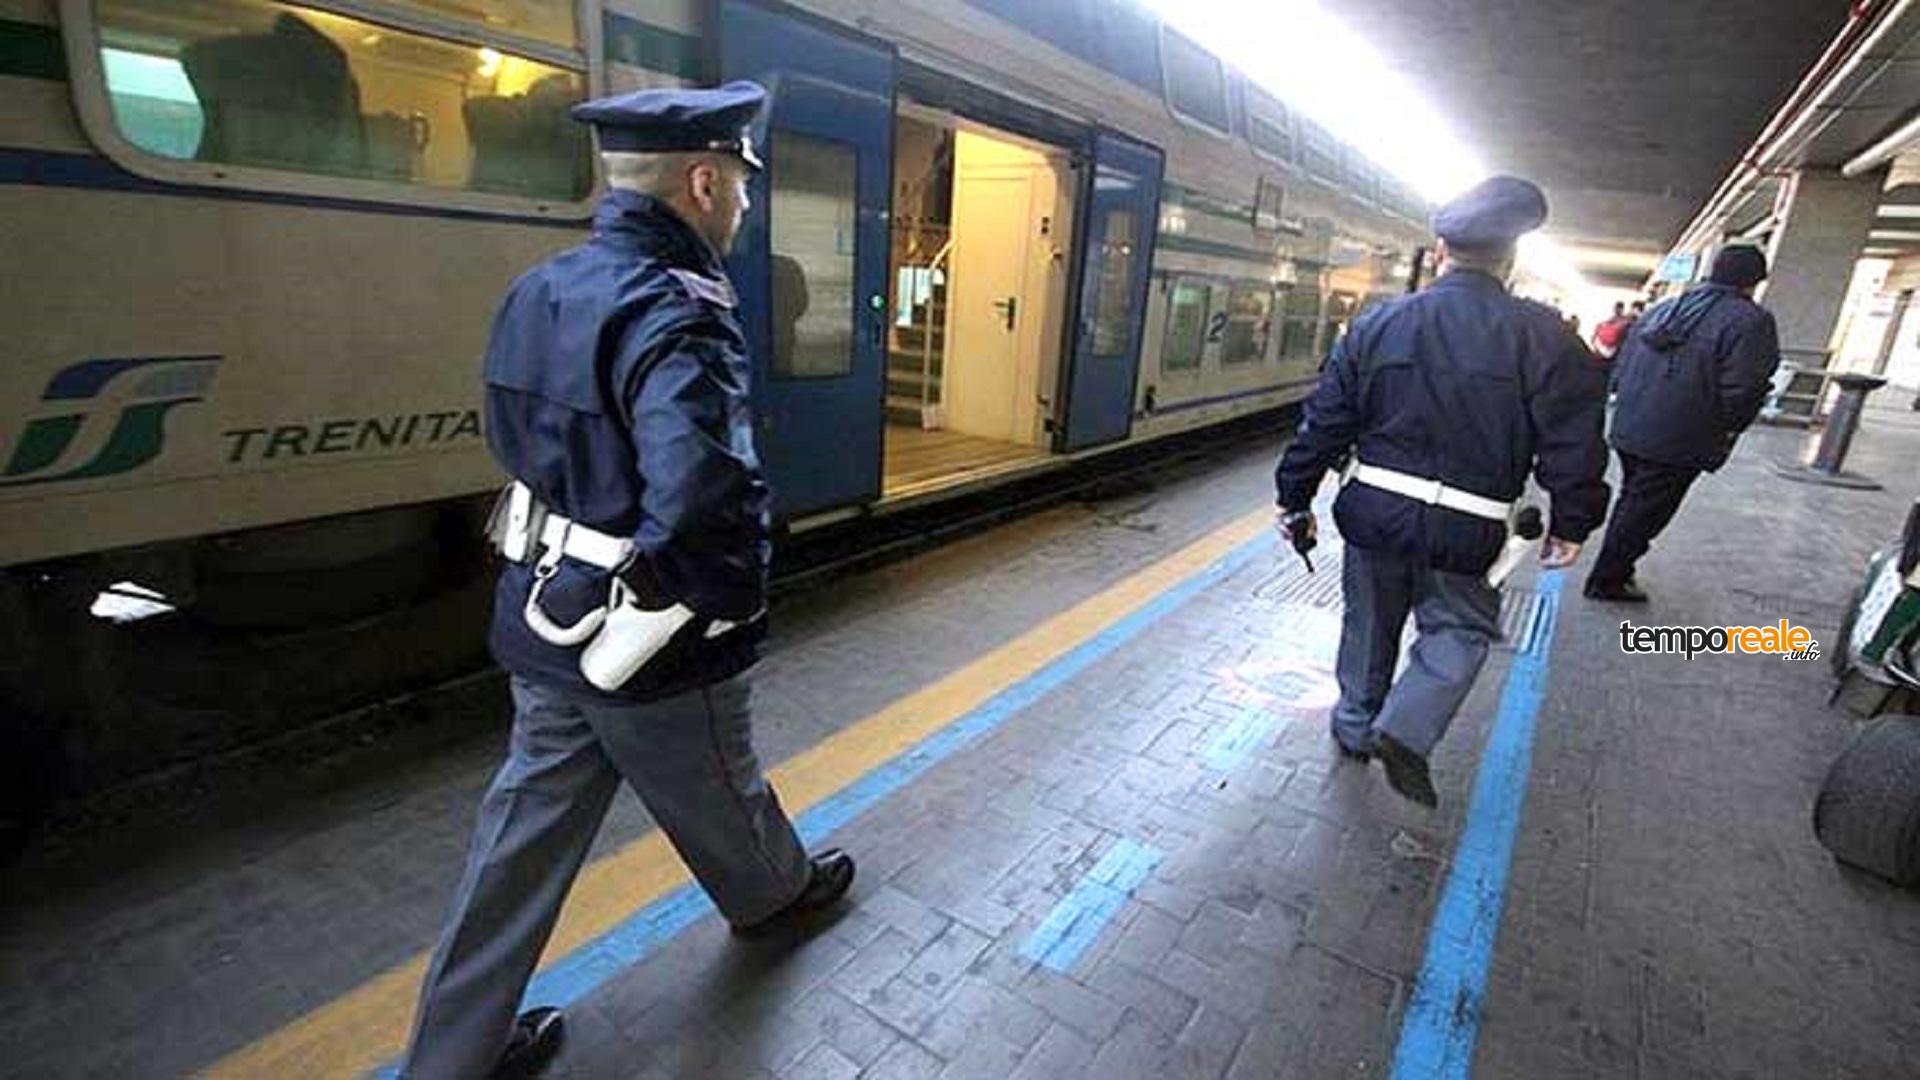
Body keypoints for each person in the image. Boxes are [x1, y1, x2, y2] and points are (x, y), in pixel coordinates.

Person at [400, 81, 855, 1079]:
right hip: (649, 636)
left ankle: (449, 1056)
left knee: (518, 841)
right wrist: (726, 608)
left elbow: (512, 439)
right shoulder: (680, 311)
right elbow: (701, 486)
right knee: (718, 785)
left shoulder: (542, 286)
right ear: (703, 179)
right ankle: (776, 898)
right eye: (739, 183)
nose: (741, 204)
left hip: (544, 611)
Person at [1274, 175, 1609, 807]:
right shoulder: (1544, 336)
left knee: (1369, 624)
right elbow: (1574, 439)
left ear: (1438, 249)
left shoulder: (1379, 324)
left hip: (1373, 512)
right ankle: (1407, 726)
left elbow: (1324, 422)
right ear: (1510, 260)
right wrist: (1573, 519)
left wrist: (1294, 495)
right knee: (1459, 628)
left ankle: (1353, 728)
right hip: (1468, 525)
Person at [1584, 245, 1781, 602]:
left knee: (1635, 500)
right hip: (1682, 435)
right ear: (1754, 282)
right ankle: (1607, 579)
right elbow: (1745, 386)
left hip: (1632, 423)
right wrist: (1728, 428)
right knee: (1646, 509)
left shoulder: (1663, 309)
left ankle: (1615, 569)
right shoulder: (1751, 321)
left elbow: (1622, 366)